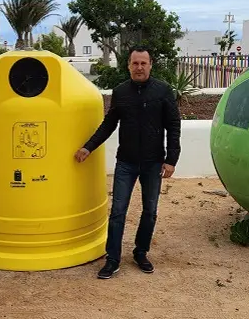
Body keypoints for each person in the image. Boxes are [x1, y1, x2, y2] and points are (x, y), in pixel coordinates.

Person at [74, 45, 181, 279]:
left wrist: (171, 159)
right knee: (118, 212)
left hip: (154, 163)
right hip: (126, 163)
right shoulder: (121, 92)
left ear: (151, 65)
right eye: (135, 63)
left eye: (143, 63)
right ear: (128, 65)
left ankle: (141, 253)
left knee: (150, 212)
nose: (139, 67)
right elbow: (109, 124)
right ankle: (112, 259)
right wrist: (88, 147)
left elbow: (173, 125)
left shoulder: (163, 91)